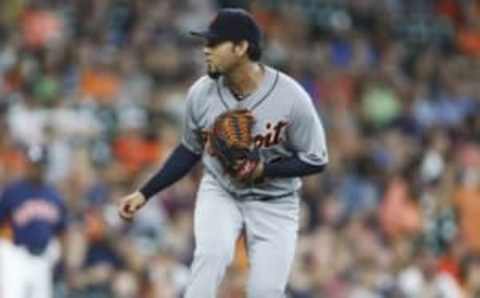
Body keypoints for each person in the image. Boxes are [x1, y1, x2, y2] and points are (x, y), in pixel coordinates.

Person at [118, 8, 328, 297]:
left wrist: (265, 169)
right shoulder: (201, 93)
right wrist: (145, 193)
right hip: (222, 190)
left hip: (275, 200)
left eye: (214, 44)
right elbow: (189, 150)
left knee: (266, 290)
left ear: (241, 48)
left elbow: (316, 159)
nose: (206, 50)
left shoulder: (291, 97)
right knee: (210, 257)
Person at [0, 144, 68, 298]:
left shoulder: (54, 195)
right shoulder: (13, 192)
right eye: (32, 164)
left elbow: (62, 230)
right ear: (27, 164)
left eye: (39, 165)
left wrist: (63, 261)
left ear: (45, 166)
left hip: (43, 260)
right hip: (16, 258)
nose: (35, 169)